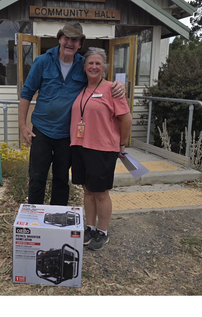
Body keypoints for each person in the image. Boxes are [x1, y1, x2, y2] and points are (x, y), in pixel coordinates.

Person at [19, 22, 126, 206]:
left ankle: (57, 221)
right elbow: (26, 93)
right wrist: (22, 125)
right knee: (37, 177)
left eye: (74, 40)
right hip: (42, 131)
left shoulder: (82, 65)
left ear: (80, 44)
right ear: (60, 39)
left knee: (61, 179)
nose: (70, 43)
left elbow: (97, 79)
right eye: (66, 38)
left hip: (68, 134)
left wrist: (118, 84)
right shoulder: (43, 61)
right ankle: (34, 220)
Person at [70, 47, 133, 250]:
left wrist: (121, 143)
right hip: (80, 146)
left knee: (100, 192)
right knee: (87, 190)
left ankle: (103, 231)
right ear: (84, 67)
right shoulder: (81, 89)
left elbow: (126, 119)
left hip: (102, 148)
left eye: (98, 63)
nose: (94, 66)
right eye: (90, 63)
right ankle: (90, 227)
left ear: (104, 67)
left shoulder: (112, 89)